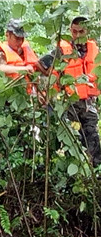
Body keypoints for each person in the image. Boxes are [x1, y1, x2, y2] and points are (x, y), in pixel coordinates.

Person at [37, 16, 100, 167]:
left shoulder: (95, 49)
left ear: (87, 31)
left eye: (81, 31)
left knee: (93, 139)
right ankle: (73, 173)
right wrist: (52, 83)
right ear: (70, 31)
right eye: (74, 31)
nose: (77, 35)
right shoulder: (62, 50)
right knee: (72, 143)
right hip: (69, 104)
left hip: (88, 103)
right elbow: (40, 65)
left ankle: (95, 171)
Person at [0, 19, 39, 94]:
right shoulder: (2, 52)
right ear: (7, 35)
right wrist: (25, 69)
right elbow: (1, 68)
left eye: (22, 39)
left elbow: (37, 65)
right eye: (16, 38)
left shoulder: (25, 49)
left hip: (28, 93)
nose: (20, 42)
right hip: (10, 92)